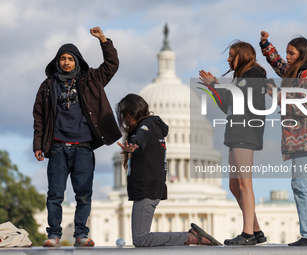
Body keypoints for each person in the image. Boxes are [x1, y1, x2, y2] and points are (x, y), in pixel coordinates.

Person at [33, 27, 121, 247]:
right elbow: (39, 118)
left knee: (83, 194)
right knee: (55, 194)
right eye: (62, 59)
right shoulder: (47, 86)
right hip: (57, 146)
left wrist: (103, 41)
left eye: (70, 59)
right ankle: (53, 236)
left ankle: (81, 235)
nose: (66, 62)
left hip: (82, 145)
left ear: (77, 61)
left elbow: (111, 66)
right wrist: (38, 144)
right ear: (57, 62)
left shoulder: (91, 79)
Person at [116, 93, 221, 247]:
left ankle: (191, 237)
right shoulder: (153, 126)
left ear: (132, 113)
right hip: (150, 186)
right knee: (140, 238)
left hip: (146, 187)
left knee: (140, 239)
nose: (125, 121)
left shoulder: (146, 126)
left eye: (125, 116)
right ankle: (190, 237)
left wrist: (133, 144)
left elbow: (141, 135)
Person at [260, 31, 307, 246]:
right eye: (287, 52)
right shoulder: (298, 71)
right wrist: (266, 46)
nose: (287, 57)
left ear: (302, 54)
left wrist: (277, 95)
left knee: (300, 185)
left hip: (304, 137)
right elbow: (280, 66)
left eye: (291, 53)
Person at [199, 41, 267, 246]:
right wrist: (213, 89)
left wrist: (214, 84)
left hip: (246, 132)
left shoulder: (253, 75)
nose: (228, 59)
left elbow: (234, 97)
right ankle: (256, 230)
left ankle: (247, 234)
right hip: (237, 133)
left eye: (231, 55)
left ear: (243, 55)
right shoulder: (243, 79)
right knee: (234, 185)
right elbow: (227, 106)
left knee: (244, 183)